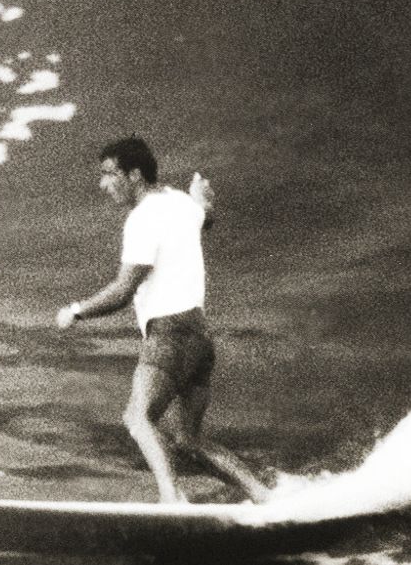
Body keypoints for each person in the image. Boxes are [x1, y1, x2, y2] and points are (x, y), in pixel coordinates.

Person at [56, 136, 269, 504]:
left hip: (169, 334)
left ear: (134, 175)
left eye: (109, 175)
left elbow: (123, 291)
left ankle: (173, 501)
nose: (103, 184)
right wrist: (203, 200)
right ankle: (266, 497)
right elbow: (205, 220)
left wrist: (76, 311)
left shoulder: (141, 220)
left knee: (138, 419)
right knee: (190, 439)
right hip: (200, 338)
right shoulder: (179, 202)